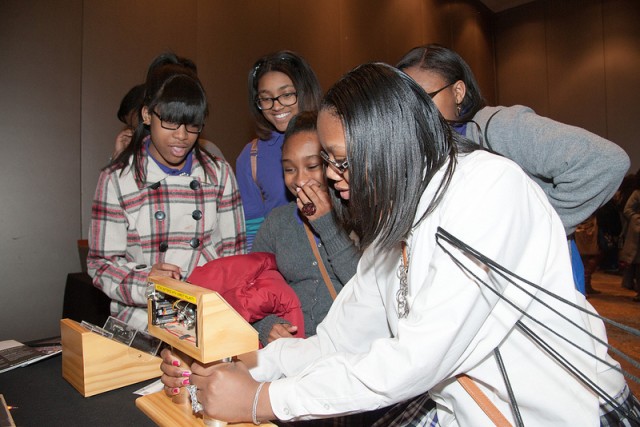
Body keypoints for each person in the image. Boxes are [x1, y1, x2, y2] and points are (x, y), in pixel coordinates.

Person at [160, 63, 634, 426]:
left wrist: (262, 401)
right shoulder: (394, 221)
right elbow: (338, 342)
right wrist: (251, 363)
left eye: (340, 162)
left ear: (390, 146)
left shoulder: (487, 188)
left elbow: (416, 359)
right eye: (327, 160)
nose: (328, 176)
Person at [396, 44, 630, 295]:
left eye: (425, 99)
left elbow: (605, 162)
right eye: (407, 104)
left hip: (535, 285)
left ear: (458, 92)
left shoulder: (497, 127)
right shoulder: (431, 153)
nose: (416, 114)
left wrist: (531, 229)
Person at [87, 54, 246, 330]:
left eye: (192, 125)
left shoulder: (218, 174)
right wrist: (147, 280)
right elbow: (101, 264)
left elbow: (234, 256)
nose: (182, 136)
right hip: (140, 320)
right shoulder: (117, 178)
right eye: (171, 122)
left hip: (206, 316)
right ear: (147, 115)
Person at [250, 111, 359, 346]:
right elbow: (251, 289)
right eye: (289, 169)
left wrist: (327, 225)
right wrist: (265, 325)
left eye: (312, 166)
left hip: (348, 349)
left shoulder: (359, 212)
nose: (299, 180)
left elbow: (366, 288)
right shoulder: (277, 222)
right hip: (296, 351)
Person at [236, 51, 322, 250]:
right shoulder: (251, 157)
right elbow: (253, 230)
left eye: (286, 95)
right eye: (266, 99)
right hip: (281, 264)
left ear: (305, 91)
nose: (276, 106)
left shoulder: (331, 139)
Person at [111, 54, 226, 161]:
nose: (181, 135)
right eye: (169, 120)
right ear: (147, 114)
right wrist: (121, 161)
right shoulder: (127, 165)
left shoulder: (215, 167)